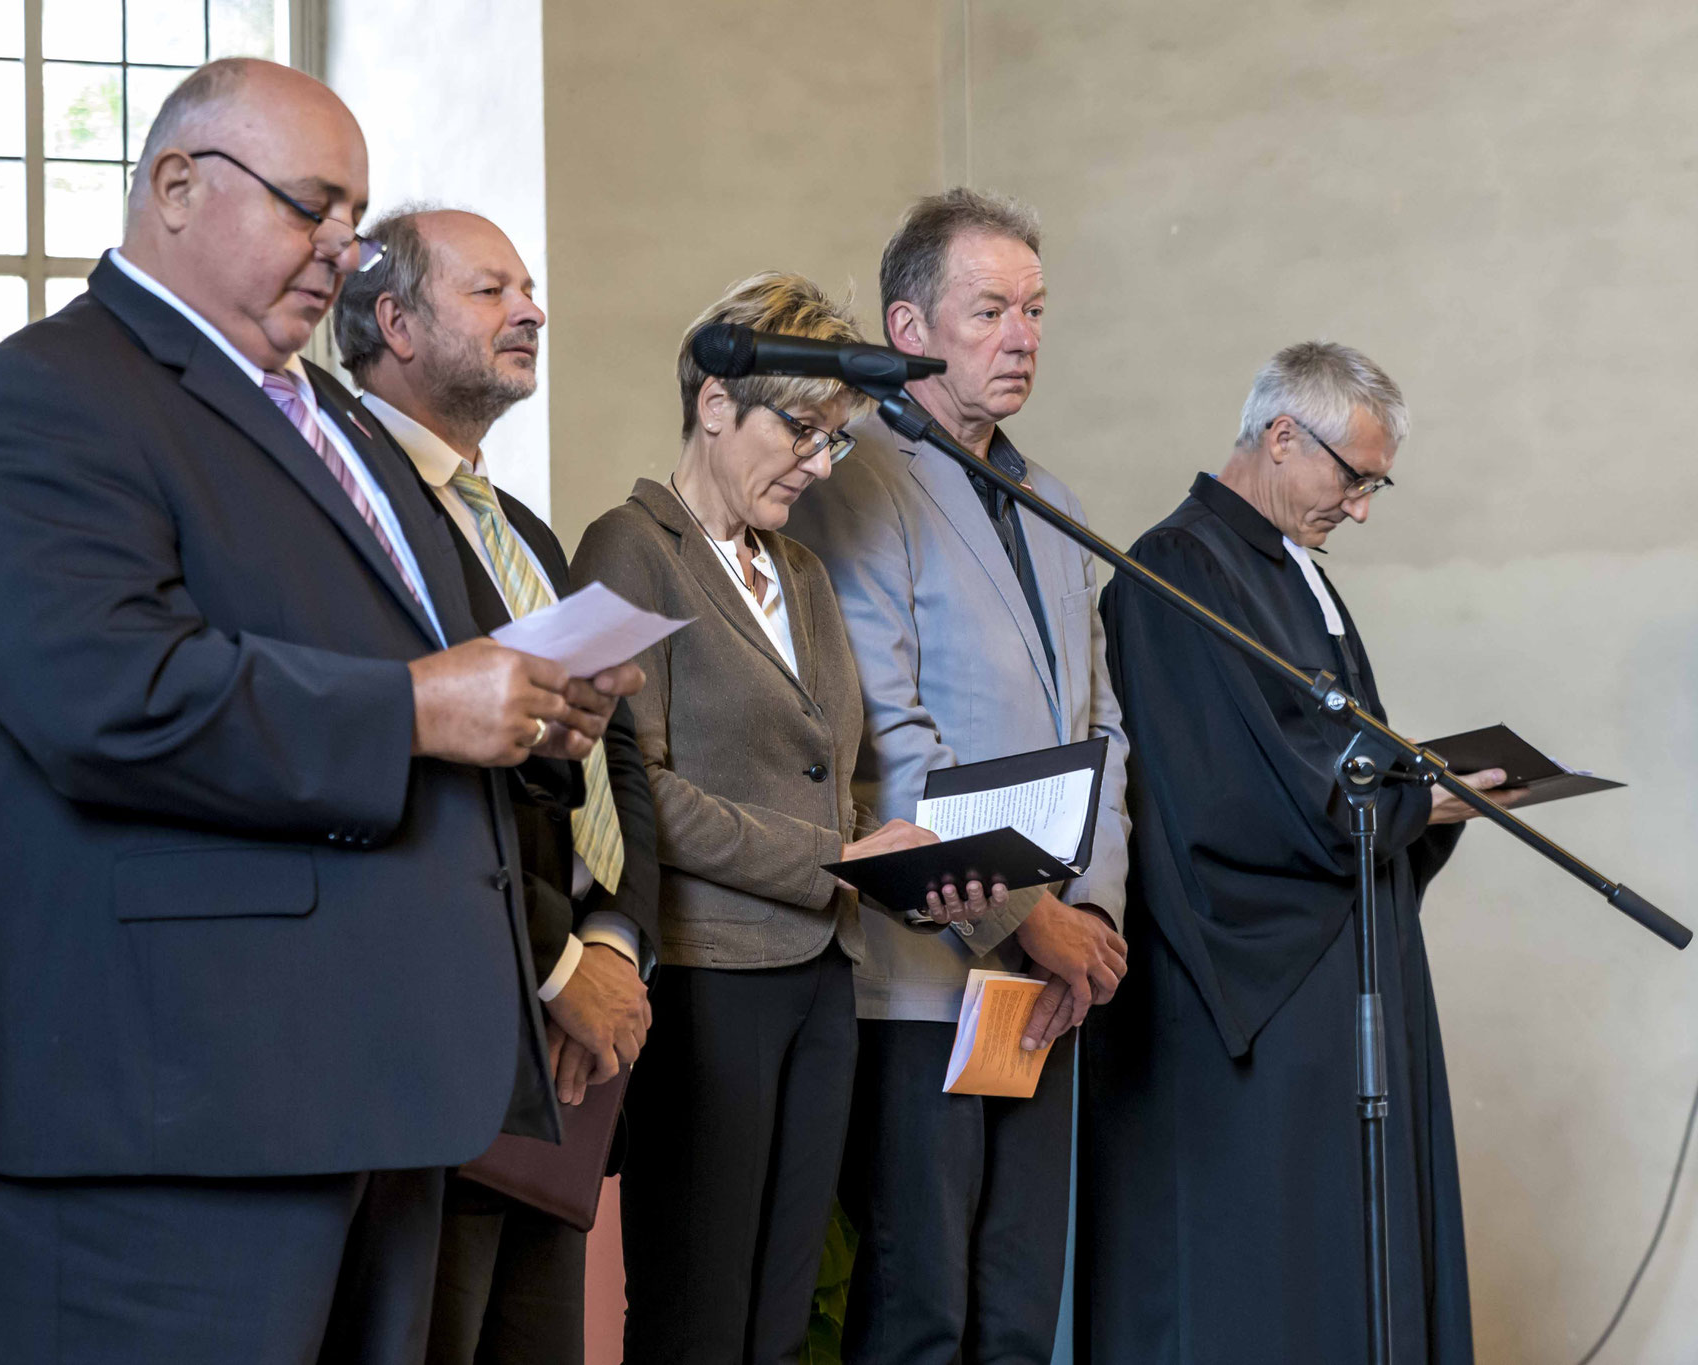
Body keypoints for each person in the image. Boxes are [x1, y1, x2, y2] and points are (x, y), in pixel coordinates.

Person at [0, 59, 640, 1365]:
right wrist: (423, 708)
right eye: (312, 206)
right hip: (168, 1110)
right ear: (178, 186)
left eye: (355, 220)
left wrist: (539, 707)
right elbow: (107, 695)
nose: (341, 252)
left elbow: (445, 661)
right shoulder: (45, 396)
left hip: (374, 1091)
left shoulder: (341, 429)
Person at [573, 273, 993, 1364]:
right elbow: (640, 790)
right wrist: (842, 856)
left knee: (784, 1310)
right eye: (800, 430)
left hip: (819, 975)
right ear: (715, 405)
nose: (815, 464)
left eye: (833, 440)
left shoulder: (800, 571)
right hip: (709, 977)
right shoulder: (628, 547)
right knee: (696, 1310)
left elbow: (838, 771)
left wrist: (911, 858)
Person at [1078, 342, 1521, 1365]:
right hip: (1256, 989)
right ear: (1281, 436)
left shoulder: (1288, 572)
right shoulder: (1178, 571)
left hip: (1342, 963)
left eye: (1374, 484)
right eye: (1351, 478)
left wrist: (1416, 806)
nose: (1359, 508)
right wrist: (1414, 803)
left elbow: (1327, 767)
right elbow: (1221, 798)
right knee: (1266, 1282)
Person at [787, 188, 1130, 1362]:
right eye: (989, 310)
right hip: (923, 973)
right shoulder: (852, 485)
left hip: (1047, 979)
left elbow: (1103, 731)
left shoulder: (1055, 503)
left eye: (1034, 308)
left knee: (1020, 1311)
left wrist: (1090, 911)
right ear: (907, 326)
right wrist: (1029, 917)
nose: (1023, 335)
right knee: (920, 1310)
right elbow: (888, 738)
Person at [332, 206, 659, 1365]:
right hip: (436, 1033)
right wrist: (555, 967)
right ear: (393, 323)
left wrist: (616, 941)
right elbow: (405, 771)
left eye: (529, 287)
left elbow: (610, 749)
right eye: (489, 291)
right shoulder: (349, 504)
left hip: (563, 1057)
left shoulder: (514, 522)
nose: (529, 310)